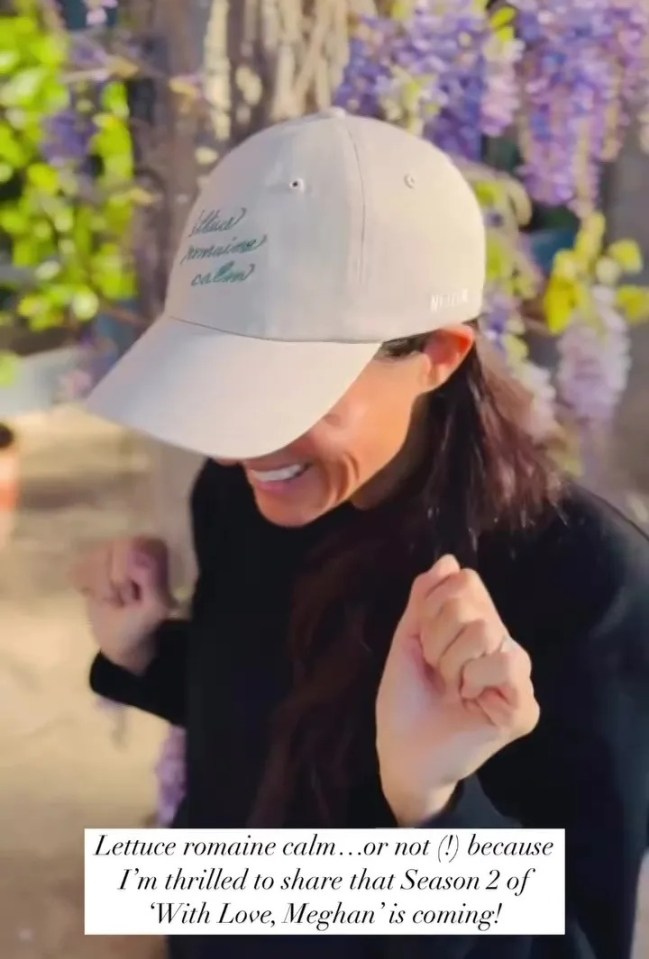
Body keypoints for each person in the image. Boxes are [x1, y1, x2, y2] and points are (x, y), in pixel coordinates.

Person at [75, 110, 649, 959]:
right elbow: (276, 705)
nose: (241, 443)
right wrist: (146, 655)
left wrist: (433, 803)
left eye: (285, 394)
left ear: (437, 355)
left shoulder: (582, 579)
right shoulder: (239, 493)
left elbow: (579, 945)